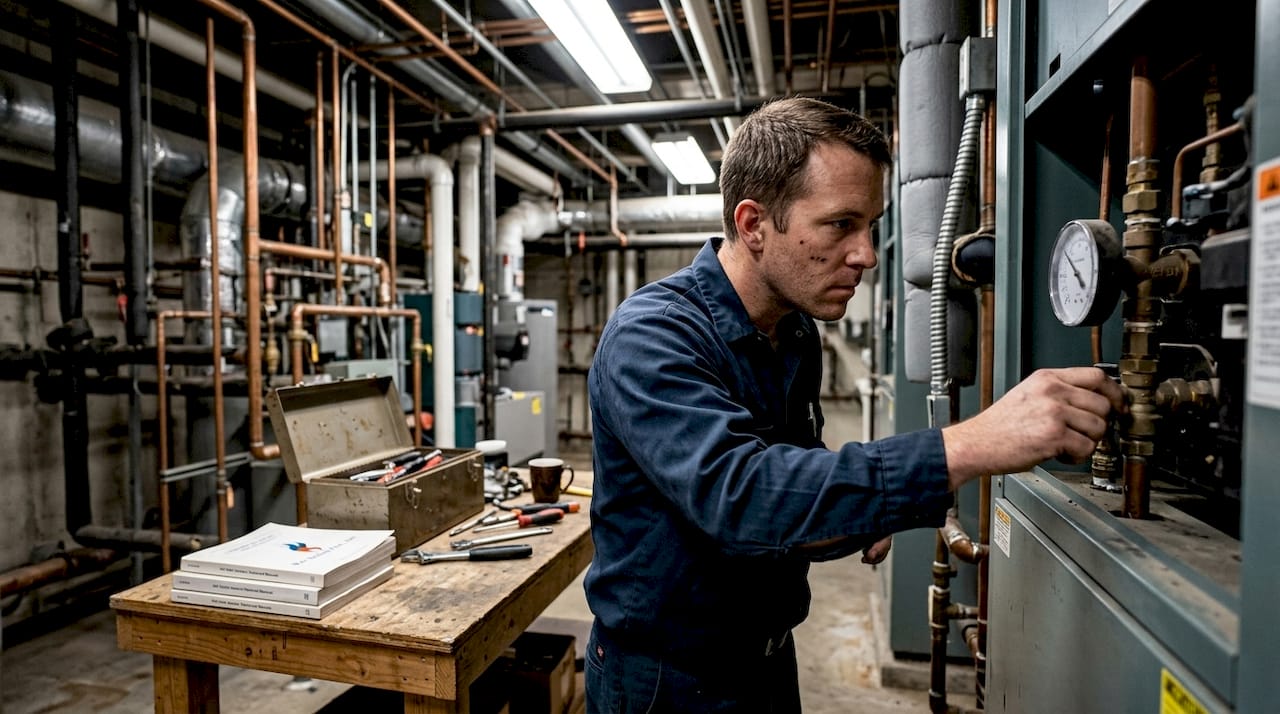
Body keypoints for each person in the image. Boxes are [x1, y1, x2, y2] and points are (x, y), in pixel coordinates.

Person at [583, 97, 1124, 713]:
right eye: (841, 224)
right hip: (664, 682)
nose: (866, 254)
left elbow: (793, 468)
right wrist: (973, 442)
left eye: (871, 225)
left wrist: (853, 510)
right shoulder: (653, 335)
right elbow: (741, 495)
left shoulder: (794, 332)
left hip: (767, 661)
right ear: (754, 223)